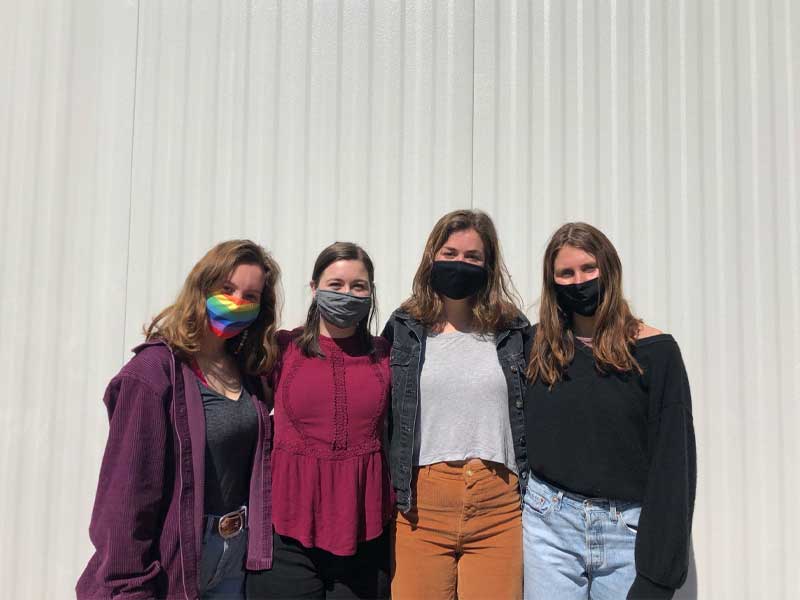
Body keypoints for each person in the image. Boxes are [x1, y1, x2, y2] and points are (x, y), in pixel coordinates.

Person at [77, 240, 281, 600]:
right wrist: (129, 588)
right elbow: (125, 499)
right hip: (179, 562)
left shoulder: (247, 373)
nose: (236, 302)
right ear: (202, 288)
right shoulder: (153, 374)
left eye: (250, 296)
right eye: (227, 289)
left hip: (235, 559)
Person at [522, 222, 696, 600]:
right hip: (548, 525)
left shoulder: (657, 353)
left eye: (588, 269)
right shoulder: (535, 346)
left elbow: (674, 463)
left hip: (627, 531)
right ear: (552, 282)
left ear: (610, 270)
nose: (578, 281)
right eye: (565, 273)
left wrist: (660, 573)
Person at [383, 209, 530, 600]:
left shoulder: (512, 331)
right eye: (449, 253)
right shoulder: (404, 329)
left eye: (472, 257)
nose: (459, 264)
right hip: (420, 509)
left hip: (498, 506)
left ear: (489, 265)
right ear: (432, 256)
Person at [247, 242, 393, 600]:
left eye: (358, 286)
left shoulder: (387, 356)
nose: (347, 294)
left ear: (370, 292)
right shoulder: (283, 349)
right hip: (287, 534)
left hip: (364, 535)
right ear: (315, 288)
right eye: (336, 284)